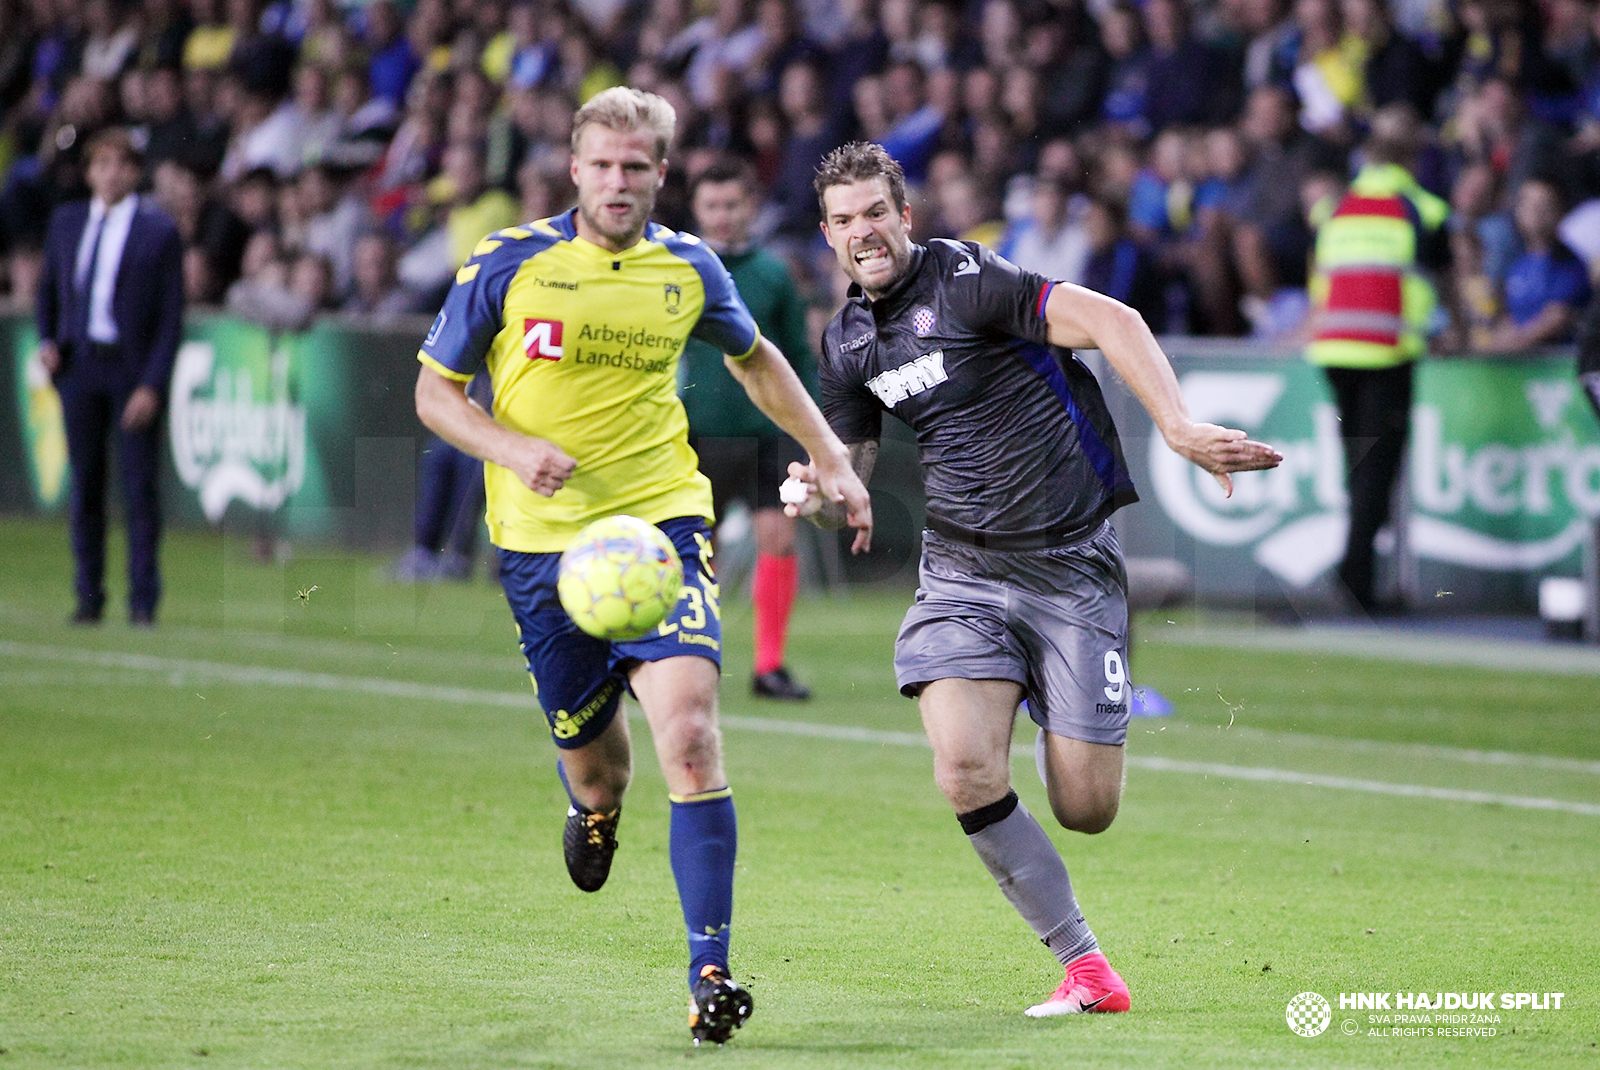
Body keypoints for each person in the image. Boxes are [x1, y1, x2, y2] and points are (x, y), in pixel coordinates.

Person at [412, 87, 871, 1045]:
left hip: (663, 527)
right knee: (601, 773)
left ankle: (710, 969)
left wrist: (830, 456)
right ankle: (592, 812)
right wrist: (509, 449)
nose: (619, 182)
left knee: (694, 738)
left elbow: (758, 361)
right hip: (544, 551)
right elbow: (436, 394)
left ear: (663, 175)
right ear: (575, 169)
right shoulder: (509, 262)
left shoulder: (689, 268)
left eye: (638, 167)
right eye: (603, 165)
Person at [786, 142, 1279, 1017]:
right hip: (961, 576)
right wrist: (817, 496)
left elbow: (1116, 319)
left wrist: (1175, 426)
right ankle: (1088, 969)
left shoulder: (971, 281)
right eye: (845, 220)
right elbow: (846, 482)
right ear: (827, 235)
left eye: (876, 213)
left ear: (907, 216)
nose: (864, 232)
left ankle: (1122, 618)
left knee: (1086, 808)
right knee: (966, 771)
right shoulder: (849, 342)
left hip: (1069, 570)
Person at [680, 158, 818, 700]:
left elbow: (800, 355)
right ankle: (692, 658)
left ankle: (769, 666)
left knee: (778, 537)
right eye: (711, 206)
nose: (722, 215)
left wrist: (814, 426)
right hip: (696, 433)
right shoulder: (677, 268)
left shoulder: (773, 273)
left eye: (731, 204)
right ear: (696, 210)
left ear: (751, 207)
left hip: (768, 431)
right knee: (694, 549)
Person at [36, 128, 185, 626]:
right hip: (81, 366)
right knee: (86, 487)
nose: (110, 173)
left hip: (130, 368)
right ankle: (88, 597)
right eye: (101, 164)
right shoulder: (67, 221)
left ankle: (143, 602)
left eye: (120, 164)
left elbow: (170, 318)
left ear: (135, 171)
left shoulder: (158, 231)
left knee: (139, 490)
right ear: (89, 171)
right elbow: (50, 291)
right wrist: (49, 341)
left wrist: (151, 384)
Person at [1305, 104, 1448, 613]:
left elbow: (1320, 278)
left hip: (1334, 348)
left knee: (1358, 464)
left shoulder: (1336, 206)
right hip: (1385, 352)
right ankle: (1355, 583)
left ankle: (1355, 576)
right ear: (1414, 154)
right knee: (1375, 470)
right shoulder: (1423, 209)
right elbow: (1441, 283)